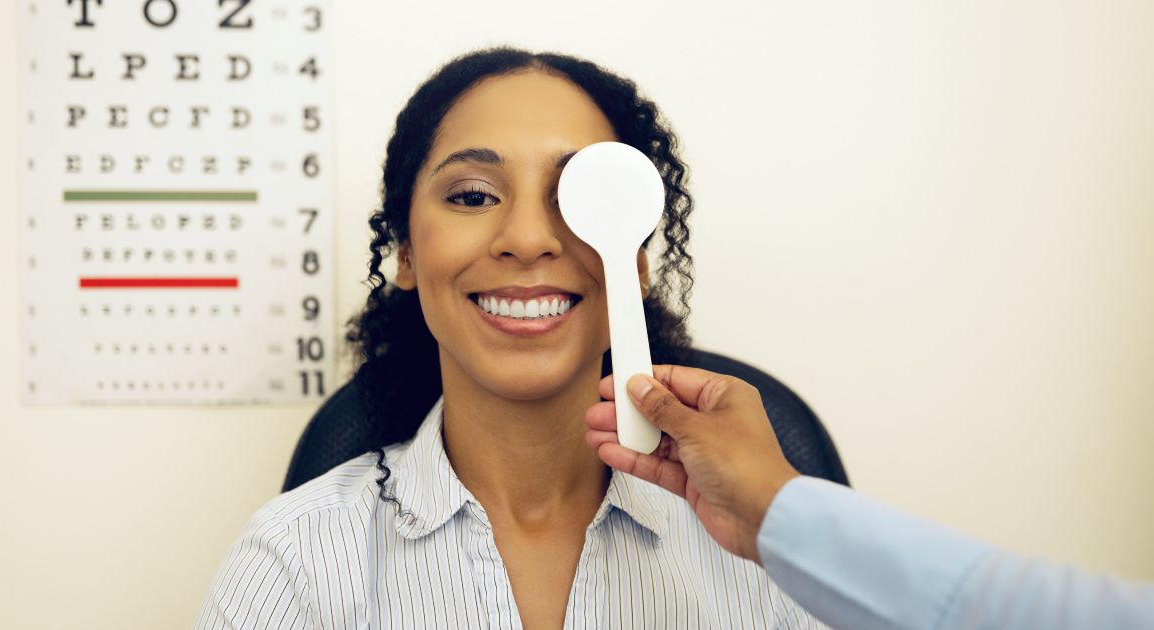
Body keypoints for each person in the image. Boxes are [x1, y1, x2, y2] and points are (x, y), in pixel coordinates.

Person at [194, 48, 823, 629]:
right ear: (406, 254)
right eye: (472, 196)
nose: (527, 238)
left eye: (578, 197)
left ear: (635, 265)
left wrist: (787, 526)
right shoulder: (291, 563)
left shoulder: (773, 554)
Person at [586, 366, 1154, 630]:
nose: (531, 241)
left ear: (639, 267)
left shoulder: (771, 589)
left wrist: (769, 509)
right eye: (488, 197)